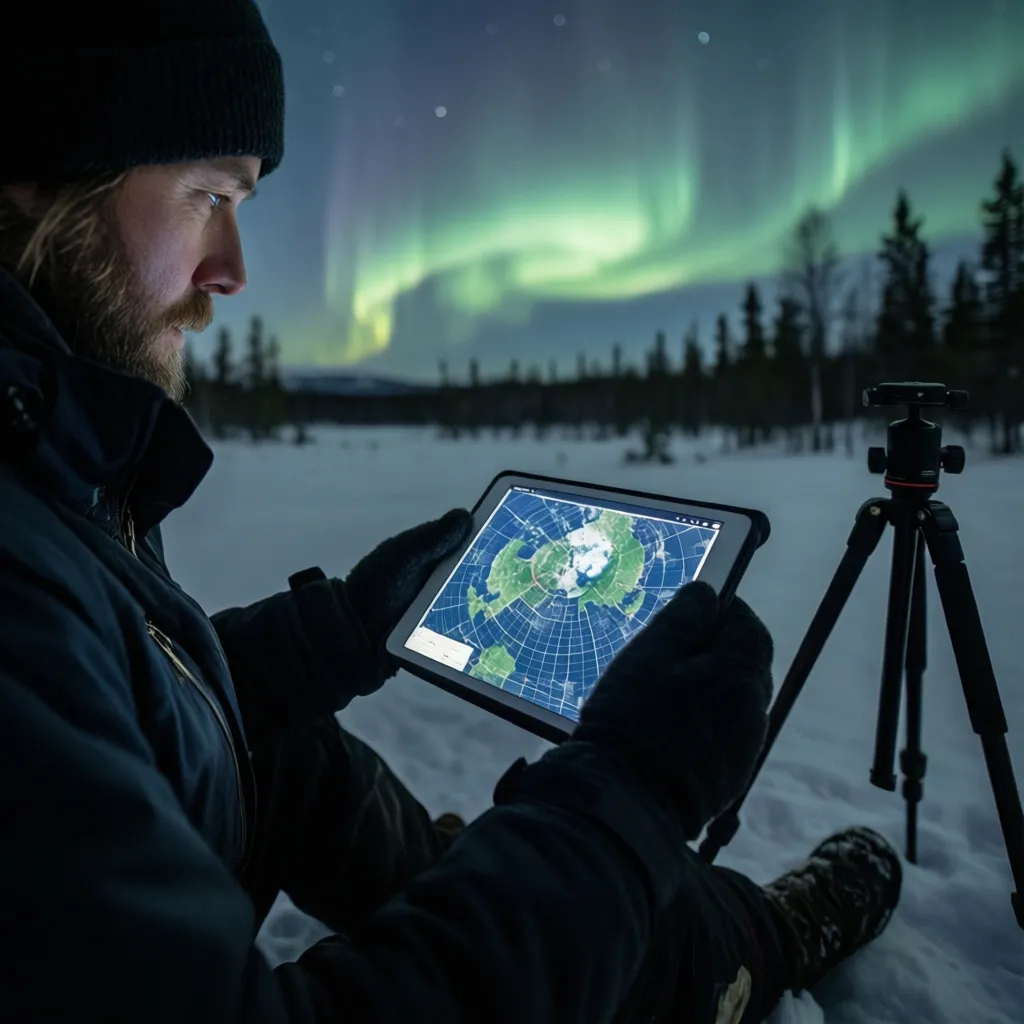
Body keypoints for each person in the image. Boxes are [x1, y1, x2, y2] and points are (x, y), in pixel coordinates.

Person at [0, 3, 902, 1021]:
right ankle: (742, 951)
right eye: (209, 193)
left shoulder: (43, 442)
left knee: (289, 754)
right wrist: (628, 793)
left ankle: (575, 907)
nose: (234, 270)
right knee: (565, 838)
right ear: (43, 168)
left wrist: (336, 633)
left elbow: (120, 694)